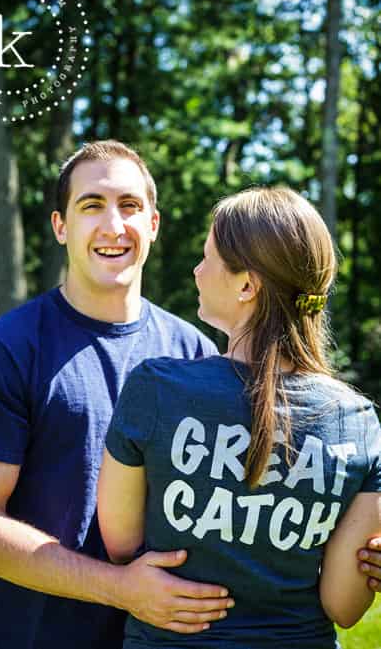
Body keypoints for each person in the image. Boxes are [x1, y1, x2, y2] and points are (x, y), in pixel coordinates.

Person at [0, 140, 235, 649]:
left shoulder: (198, 353)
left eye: (129, 206)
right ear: (61, 226)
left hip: (171, 640)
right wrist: (122, 589)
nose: (113, 226)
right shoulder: (4, 351)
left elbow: (235, 501)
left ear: (153, 225)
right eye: (91, 206)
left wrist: (349, 550)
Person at [98, 186, 381, 648]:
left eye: (207, 256)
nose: (197, 270)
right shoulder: (358, 422)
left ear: (247, 285)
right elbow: (344, 607)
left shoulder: (154, 389)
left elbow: (122, 547)